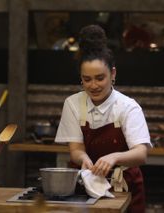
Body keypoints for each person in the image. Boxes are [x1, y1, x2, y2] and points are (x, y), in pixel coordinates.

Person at [55, 24, 152, 213]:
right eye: (87, 79)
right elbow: (75, 150)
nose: (93, 85)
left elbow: (141, 154)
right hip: (83, 188)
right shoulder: (73, 104)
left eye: (100, 78)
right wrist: (83, 158)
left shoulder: (127, 106)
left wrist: (114, 157)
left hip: (124, 188)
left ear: (113, 74)